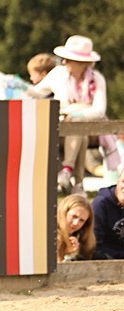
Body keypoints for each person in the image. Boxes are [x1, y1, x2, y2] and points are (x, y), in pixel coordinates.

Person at [29, 36, 107, 194]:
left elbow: (99, 111)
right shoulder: (58, 74)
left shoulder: (97, 79)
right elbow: (37, 93)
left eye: (68, 60)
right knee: (80, 135)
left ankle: (66, 171)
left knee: (78, 126)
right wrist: (16, 86)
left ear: (81, 63)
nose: (64, 62)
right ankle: (78, 184)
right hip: (65, 129)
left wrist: (73, 111)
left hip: (92, 129)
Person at [91, 173, 124, 260]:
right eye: (123, 182)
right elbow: (95, 245)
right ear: (118, 183)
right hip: (105, 258)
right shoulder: (100, 204)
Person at [56, 193, 96, 261]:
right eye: (74, 216)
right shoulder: (49, 235)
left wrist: (70, 253)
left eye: (81, 220)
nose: (76, 223)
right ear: (64, 212)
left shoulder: (80, 240)